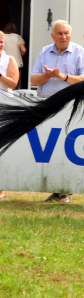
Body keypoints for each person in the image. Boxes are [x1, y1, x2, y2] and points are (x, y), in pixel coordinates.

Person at [30, 20, 84, 203]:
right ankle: (56, 190)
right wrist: (48, 75)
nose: (63, 37)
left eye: (66, 33)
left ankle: (66, 191)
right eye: (60, 33)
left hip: (69, 107)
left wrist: (62, 76)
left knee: (67, 149)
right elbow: (34, 80)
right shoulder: (44, 52)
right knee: (50, 151)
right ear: (53, 36)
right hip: (47, 106)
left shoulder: (79, 52)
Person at [0, 30, 20, 200]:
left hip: (3, 106)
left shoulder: (9, 59)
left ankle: (1, 190)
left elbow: (13, 83)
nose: (0, 44)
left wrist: (0, 75)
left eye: (1, 41)